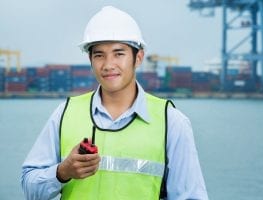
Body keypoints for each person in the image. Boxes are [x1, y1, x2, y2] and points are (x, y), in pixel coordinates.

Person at [21, 5, 208, 200]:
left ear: (138, 58)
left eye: (119, 53)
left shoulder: (171, 121)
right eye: (99, 55)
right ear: (90, 60)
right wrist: (62, 172)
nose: (108, 65)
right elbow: (30, 188)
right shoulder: (65, 113)